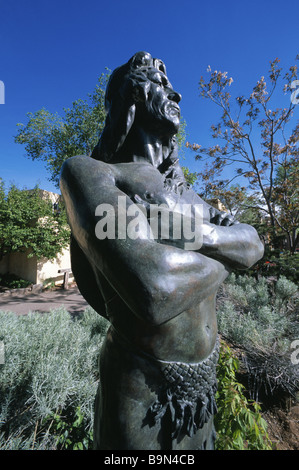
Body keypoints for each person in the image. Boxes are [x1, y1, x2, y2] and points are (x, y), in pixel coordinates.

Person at [60, 52, 264, 450]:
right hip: (141, 391)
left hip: (204, 390)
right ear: (131, 96)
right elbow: (156, 289)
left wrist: (175, 227)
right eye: (160, 81)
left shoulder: (188, 194)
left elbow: (254, 244)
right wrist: (228, 254)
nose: (177, 93)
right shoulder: (91, 173)